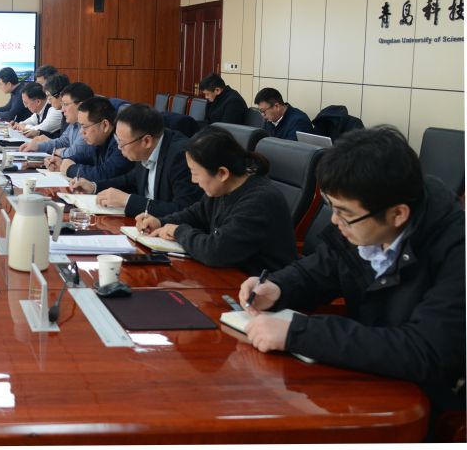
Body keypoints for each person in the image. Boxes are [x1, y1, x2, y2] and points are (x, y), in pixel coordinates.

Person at [239, 127, 465, 431]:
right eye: (332, 207)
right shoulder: (363, 222)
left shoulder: (456, 251)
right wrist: (277, 287)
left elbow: (426, 351)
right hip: (364, 377)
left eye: (343, 214)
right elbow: (318, 269)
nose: (335, 221)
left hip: (424, 406)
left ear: (398, 214)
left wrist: (299, 333)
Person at [136, 126, 296, 274]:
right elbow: (195, 214)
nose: (193, 180)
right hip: (228, 274)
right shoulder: (224, 188)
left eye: (195, 173)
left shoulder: (259, 201)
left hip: (257, 285)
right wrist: (161, 222)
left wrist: (178, 231)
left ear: (222, 173)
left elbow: (216, 251)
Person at [70, 104, 202, 218]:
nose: (119, 148)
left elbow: (183, 209)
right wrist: (94, 187)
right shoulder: (143, 147)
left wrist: (127, 200)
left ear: (146, 141)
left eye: (122, 143)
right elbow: (131, 179)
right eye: (117, 141)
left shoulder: (180, 156)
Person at [54, 96, 131, 181]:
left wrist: (70, 169)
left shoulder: (121, 143)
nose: (81, 132)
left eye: (85, 127)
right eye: (80, 126)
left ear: (105, 125)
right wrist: (62, 162)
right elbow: (86, 156)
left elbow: (104, 174)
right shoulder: (98, 140)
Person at [25, 81, 93, 156]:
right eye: (62, 104)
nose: (63, 109)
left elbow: (74, 153)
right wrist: (38, 146)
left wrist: (57, 151)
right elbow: (62, 142)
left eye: (66, 104)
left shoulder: (89, 127)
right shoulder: (74, 123)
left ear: (81, 106)